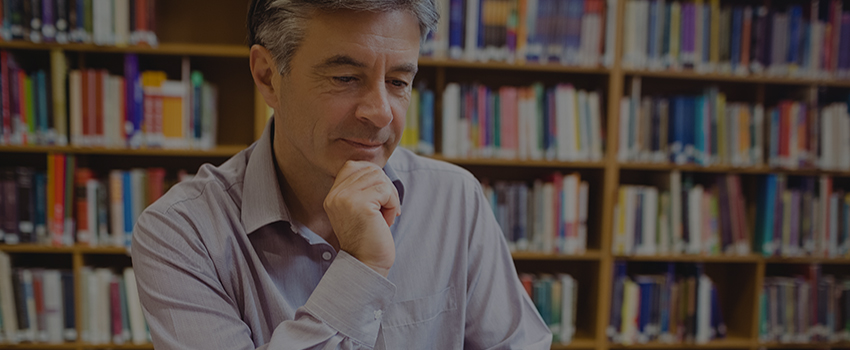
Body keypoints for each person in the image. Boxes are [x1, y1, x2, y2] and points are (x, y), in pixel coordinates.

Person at [130, 0, 552, 349]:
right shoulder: (180, 233)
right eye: (346, 78)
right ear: (267, 76)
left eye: (399, 81)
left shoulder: (454, 199)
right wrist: (362, 269)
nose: (381, 112)